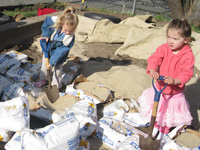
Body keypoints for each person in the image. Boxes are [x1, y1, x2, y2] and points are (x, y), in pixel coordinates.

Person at [138, 19, 195, 140]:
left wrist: (176, 80)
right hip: (160, 87)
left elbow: (187, 72)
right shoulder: (164, 48)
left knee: (168, 113)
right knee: (157, 109)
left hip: (174, 92)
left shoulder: (188, 55)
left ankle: (164, 131)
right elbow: (154, 59)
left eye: (175, 39)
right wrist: (153, 69)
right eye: (168, 37)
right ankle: (155, 127)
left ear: (186, 40)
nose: (170, 41)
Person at [36, 6, 79, 92]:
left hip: (60, 55)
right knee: (44, 66)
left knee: (58, 70)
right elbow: (45, 26)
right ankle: (43, 79)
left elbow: (61, 51)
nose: (67, 33)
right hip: (48, 48)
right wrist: (45, 35)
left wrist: (52, 62)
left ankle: (56, 86)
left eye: (70, 31)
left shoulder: (69, 38)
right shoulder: (53, 21)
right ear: (62, 23)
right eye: (66, 30)